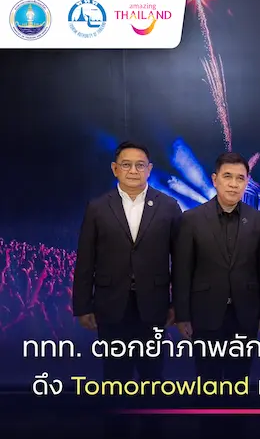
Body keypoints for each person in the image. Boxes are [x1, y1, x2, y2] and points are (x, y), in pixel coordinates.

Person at [73, 141, 181, 382]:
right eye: (126, 165)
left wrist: (178, 305)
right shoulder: (97, 208)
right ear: (115, 169)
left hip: (154, 306)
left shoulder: (169, 206)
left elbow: (180, 261)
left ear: (149, 169)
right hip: (110, 305)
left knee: (152, 376)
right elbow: (86, 260)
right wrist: (82, 306)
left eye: (140, 165)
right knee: (114, 376)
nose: (133, 171)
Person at [173, 152, 260, 382]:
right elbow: (182, 271)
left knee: (239, 382)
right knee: (207, 381)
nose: (234, 184)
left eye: (240, 178)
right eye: (228, 176)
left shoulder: (258, 220)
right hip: (205, 314)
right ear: (215, 179)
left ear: (246, 183)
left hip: (245, 314)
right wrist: (182, 314)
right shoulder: (192, 219)